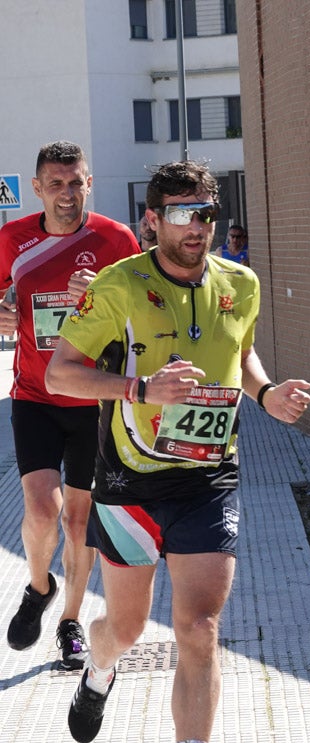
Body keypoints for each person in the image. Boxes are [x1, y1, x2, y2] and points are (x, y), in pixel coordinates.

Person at [46, 160, 310, 743]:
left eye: (208, 215)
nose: (199, 228)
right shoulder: (118, 285)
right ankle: (99, 671)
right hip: (131, 484)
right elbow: (63, 373)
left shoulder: (241, 284)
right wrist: (140, 390)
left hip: (207, 478)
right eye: (184, 214)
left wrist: (264, 393)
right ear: (153, 220)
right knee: (127, 630)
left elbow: (241, 352)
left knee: (197, 629)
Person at [0, 141, 140, 669]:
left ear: (89, 183)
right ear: (37, 189)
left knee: (81, 522)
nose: (66, 193)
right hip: (35, 396)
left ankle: (70, 621)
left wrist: (108, 298)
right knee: (41, 510)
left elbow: (148, 313)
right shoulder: (12, 240)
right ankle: (39, 588)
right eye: (55, 184)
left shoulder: (115, 240)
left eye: (75, 182)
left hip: (93, 401)